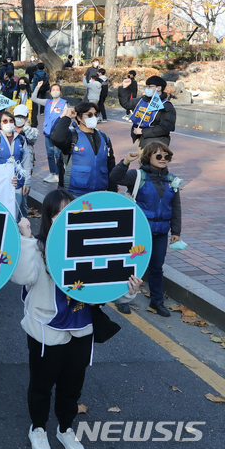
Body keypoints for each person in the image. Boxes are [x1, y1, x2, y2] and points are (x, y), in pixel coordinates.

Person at [11, 189, 141, 449]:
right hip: (47, 329)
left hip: (81, 327)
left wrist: (129, 290)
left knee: (72, 384)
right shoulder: (38, 247)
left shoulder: (93, 244)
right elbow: (22, 277)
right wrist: (25, 239)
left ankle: (65, 428)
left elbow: (109, 289)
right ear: (48, 217)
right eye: (58, 212)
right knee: (41, 385)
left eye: (71, 210)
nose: (65, 217)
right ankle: (37, 428)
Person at [110, 142, 181, 317]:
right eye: (159, 156)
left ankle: (157, 301)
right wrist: (125, 162)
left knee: (157, 267)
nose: (163, 159)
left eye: (167, 156)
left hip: (161, 232)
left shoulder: (172, 180)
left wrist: (176, 232)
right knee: (131, 265)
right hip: (139, 229)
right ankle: (123, 297)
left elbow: (176, 207)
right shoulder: (137, 175)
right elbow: (114, 178)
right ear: (148, 157)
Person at [51, 102, 115, 197]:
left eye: (95, 115)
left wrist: (112, 191)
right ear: (79, 117)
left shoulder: (104, 138)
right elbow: (56, 137)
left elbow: (111, 165)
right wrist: (67, 117)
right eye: (89, 115)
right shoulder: (72, 136)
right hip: (74, 193)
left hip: (99, 193)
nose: (93, 117)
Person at [0, 110, 33, 220]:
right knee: (0, 212)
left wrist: (27, 181)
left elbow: (27, 161)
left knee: (16, 213)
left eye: (11, 120)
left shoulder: (21, 139)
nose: (8, 123)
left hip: (17, 183)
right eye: (4, 121)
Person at [118, 76, 176, 149]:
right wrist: (124, 88)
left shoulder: (166, 105)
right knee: (142, 160)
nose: (147, 89)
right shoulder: (143, 100)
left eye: (150, 87)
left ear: (159, 88)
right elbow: (126, 104)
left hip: (158, 143)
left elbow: (165, 127)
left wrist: (143, 131)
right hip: (143, 141)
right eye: (146, 87)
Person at [32, 82, 68, 183]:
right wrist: (37, 86)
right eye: (53, 90)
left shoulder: (64, 103)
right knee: (50, 154)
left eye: (57, 90)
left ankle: (58, 174)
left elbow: (66, 116)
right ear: (50, 92)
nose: (55, 91)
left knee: (57, 154)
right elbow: (33, 98)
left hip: (58, 133)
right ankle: (52, 173)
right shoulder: (47, 102)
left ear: (60, 92)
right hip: (47, 132)